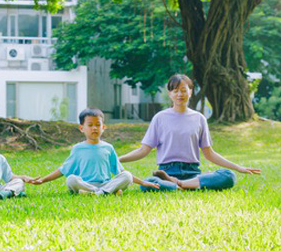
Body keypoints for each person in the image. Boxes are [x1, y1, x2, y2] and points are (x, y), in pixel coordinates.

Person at [119, 74, 261, 192]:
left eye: (183, 90)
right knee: (149, 182)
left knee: (228, 176)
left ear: (190, 92)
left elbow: (209, 153)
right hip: (166, 171)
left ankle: (178, 185)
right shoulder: (159, 118)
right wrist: (118, 159)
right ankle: (183, 185)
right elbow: (144, 150)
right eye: (175, 91)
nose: (180, 94)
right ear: (170, 94)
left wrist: (238, 168)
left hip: (193, 173)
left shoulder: (199, 118)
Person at [31, 108, 159, 195]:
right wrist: (43, 180)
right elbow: (63, 170)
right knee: (71, 179)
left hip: (106, 183)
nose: (94, 128)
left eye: (98, 125)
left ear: (103, 127)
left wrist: (142, 182)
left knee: (127, 176)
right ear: (82, 128)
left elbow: (120, 171)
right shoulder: (77, 149)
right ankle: (105, 193)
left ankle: (98, 193)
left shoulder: (108, 148)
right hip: (86, 184)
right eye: (90, 125)